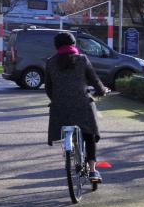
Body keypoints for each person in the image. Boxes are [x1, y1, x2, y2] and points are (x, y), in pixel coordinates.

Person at [45, 31, 110, 183]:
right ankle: (93, 171)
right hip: (81, 105)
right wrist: (102, 91)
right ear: (74, 44)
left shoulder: (50, 62)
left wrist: (56, 99)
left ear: (56, 46)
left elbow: (48, 88)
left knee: (71, 124)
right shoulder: (82, 59)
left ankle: (72, 146)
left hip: (59, 108)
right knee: (89, 134)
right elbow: (95, 80)